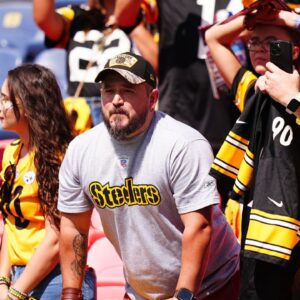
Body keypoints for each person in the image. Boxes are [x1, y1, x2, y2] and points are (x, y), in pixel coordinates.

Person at [57, 52, 240, 300]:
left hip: (214, 285)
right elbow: (73, 228)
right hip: (142, 291)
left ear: (152, 98)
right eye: (109, 91)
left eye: (128, 90)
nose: (117, 100)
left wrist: (183, 296)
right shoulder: (81, 150)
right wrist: (71, 293)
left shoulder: (183, 144)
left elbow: (199, 226)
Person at [206, 1, 300, 299]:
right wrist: (257, 16)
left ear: (295, 51)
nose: (258, 48)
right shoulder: (253, 91)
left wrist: (292, 99)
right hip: (261, 233)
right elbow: (214, 38)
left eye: (271, 42)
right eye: (253, 41)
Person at [0, 64, 96, 299]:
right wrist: (3, 282)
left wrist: (15, 292)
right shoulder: (11, 153)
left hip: (56, 279)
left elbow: (56, 239)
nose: (0, 107)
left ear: (28, 106)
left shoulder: (59, 157)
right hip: (19, 278)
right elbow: (12, 226)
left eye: (5, 100)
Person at [33, 0, 158, 127]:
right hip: (80, 116)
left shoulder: (146, 12)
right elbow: (43, 19)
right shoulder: (77, 15)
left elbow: (158, 67)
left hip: (124, 110)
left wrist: (129, 22)